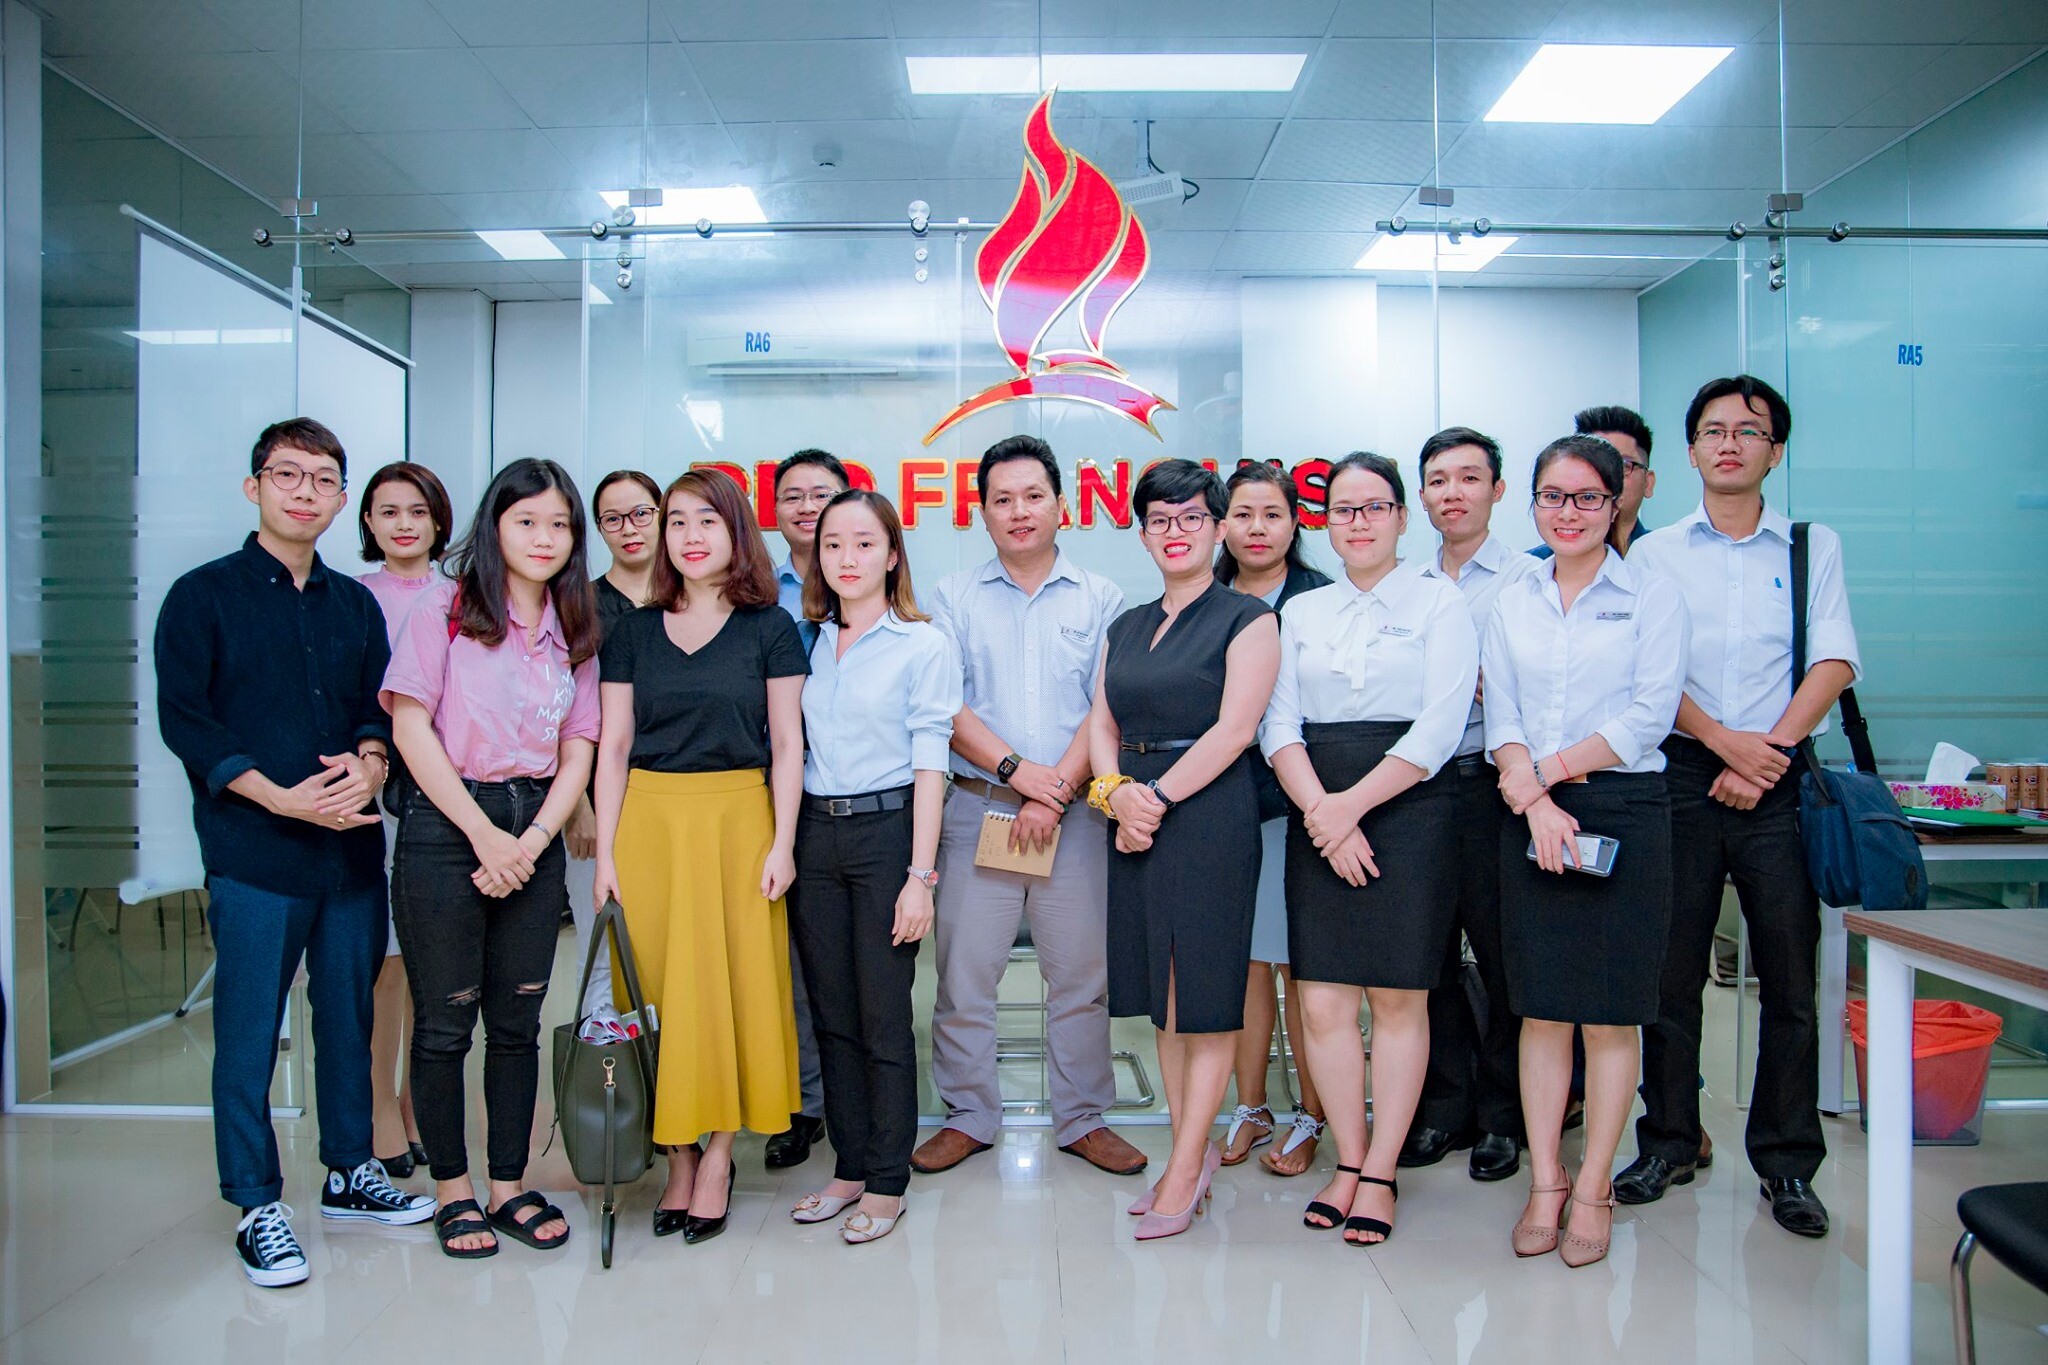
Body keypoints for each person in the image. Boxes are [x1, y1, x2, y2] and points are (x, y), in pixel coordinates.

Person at [154, 418, 434, 1289]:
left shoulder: (353, 604)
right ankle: (256, 1203)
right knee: (248, 1033)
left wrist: (373, 763)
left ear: (340, 499)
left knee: (349, 1018)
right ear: (255, 486)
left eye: (321, 479)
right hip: (255, 853)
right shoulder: (202, 596)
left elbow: (377, 706)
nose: (305, 491)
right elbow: (187, 720)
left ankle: (351, 1168)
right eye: (287, 475)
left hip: (349, 854)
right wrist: (277, 796)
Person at [1622, 375, 1859, 1239]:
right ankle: (1669, 1140)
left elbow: (1833, 661)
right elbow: (1647, 672)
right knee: (1669, 973)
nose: (1730, 443)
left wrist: (1768, 756)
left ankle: (1788, 1162)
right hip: (1683, 772)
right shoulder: (1654, 555)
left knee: (1790, 978)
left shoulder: (1809, 546)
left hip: (1778, 775)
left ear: (1775, 450)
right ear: (1690, 452)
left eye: (1749, 431)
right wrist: (1726, 746)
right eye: (1714, 430)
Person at [383, 457, 599, 1260]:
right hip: (448, 823)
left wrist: (533, 840)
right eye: (526, 521)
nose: (544, 537)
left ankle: (507, 1183)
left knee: (517, 1023)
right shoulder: (445, 606)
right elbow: (409, 726)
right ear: (493, 526)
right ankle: (453, 1189)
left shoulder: (573, 624)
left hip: (532, 823)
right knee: (446, 1023)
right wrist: (483, 834)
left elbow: (579, 746)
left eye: (559, 524)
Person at [914, 436, 1147, 1180]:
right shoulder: (951, 597)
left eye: (1033, 496)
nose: (1019, 511)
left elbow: (1105, 707)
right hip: (979, 808)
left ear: (1061, 505)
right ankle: (968, 1114)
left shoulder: (1101, 597)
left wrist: (1056, 791)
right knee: (964, 976)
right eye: (1003, 499)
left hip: (1075, 818)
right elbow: (945, 706)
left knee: (1079, 976)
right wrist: (1019, 777)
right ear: (981, 511)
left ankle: (1083, 1118)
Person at [1259, 451, 1477, 1246]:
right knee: (1320, 999)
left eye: (1374, 507)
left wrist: (1347, 810)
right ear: (1325, 522)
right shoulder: (1302, 611)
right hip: (1316, 802)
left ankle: (1382, 1168)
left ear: (1401, 517)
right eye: (1343, 509)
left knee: (1397, 998)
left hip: (1410, 809)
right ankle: (1348, 1159)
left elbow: (1442, 725)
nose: (1358, 522)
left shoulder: (1439, 600)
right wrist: (1323, 812)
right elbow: (1277, 722)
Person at [1483, 434, 1686, 1268]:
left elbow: (1650, 715)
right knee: (1540, 1008)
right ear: (1532, 502)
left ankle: (1596, 1183)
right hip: (1529, 811)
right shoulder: (1513, 597)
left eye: (1587, 497)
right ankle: (1547, 1179)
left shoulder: (1651, 594)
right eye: (1552, 497)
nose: (1568, 513)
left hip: (1623, 807)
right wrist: (1533, 799)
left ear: (1616, 501)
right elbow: (1501, 715)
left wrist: (1548, 776)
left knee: (1608, 1013)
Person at [592, 469, 808, 1243]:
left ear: (735, 531)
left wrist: (782, 842)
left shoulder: (770, 627)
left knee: (731, 989)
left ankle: (718, 1153)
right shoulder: (631, 631)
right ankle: (676, 1153)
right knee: (653, 990)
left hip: (738, 822)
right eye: (677, 521)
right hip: (649, 826)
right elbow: (613, 745)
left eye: (707, 521)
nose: (689, 535)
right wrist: (605, 853)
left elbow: (788, 744)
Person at [1087, 459, 1279, 1242]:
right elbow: (1102, 720)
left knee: (1206, 995)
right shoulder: (1126, 625)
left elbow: (1236, 731)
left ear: (1219, 528)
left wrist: (1155, 799)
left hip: (1207, 818)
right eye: (1160, 520)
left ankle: (1187, 1162)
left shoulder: (1248, 618)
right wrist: (1114, 794)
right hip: (1132, 816)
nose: (1176, 531)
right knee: (1165, 1000)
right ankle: (1185, 1152)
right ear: (1142, 533)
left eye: (1192, 517)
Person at [791, 489, 959, 1245]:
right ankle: (849, 1165)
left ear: (893, 554)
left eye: (864, 543)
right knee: (831, 1014)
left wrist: (920, 877)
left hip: (889, 834)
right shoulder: (807, 642)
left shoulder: (922, 643)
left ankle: (888, 1179)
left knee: (883, 1015)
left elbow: (931, 763)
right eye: (832, 544)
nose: (847, 557)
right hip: (814, 835)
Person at [1407, 427, 1544, 1181]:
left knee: (1501, 956)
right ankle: (1443, 1108)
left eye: (1468, 477)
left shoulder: (1530, 580)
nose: (1452, 492)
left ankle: (1502, 1116)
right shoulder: (1407, 584)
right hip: (1420, 788)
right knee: (1427, 954)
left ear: (1498, 489)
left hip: (1498, 785)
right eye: (1437, 479)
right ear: (1421, 497)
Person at [1212, 459, 1331, 1176]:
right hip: (1221, 808)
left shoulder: (1322, 599)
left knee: (1300, 969)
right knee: (1243, 968)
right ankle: (1252, 1107)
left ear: (1294, 522)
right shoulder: (1204, 596)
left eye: (1272, 514)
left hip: (1299, 807)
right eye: (1243, 514)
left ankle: (1311, 1113)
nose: (1257, 528)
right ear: (1221, 523)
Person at [356, 460, 455, 1178]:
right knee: (385, 965)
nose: (404, 524)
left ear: (438, 521)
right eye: (388, 511)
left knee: (433, 963)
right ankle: (379, 1111)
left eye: (417, 511)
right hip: (374, 795)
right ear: (368, 521)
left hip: (445, 796)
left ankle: (419, 1105)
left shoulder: (462, 596)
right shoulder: (352, 597)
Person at [764, 447, 852, 1169]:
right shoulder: (755, 589)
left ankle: (853, 1093)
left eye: (821, 494)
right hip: (765, 788)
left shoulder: (866, 583)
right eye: (792, 495)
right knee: (784, 958)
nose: (806, 507)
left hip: (850, 792)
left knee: (844, 958)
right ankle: (801, 1099)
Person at [559, 469, 663, 1025]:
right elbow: (556, 709)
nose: (630, 528)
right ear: (598, 529)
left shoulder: (689, 601)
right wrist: (576, 805)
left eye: (641, 513)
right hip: (596, 802)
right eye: (613, 519)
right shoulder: (578, 605)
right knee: (599, 942)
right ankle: (606, 1068)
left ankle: (668, 1065)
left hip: (671, 798)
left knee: (664, 944)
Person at [1531, 405, 1656, 558]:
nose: (1608, 477)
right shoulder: (1532, 565)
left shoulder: (1664, 559)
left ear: (1648, 483)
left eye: (1623, 465)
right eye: (1595, 466)